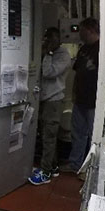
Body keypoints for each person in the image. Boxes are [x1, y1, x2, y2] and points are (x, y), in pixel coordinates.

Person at [29, 27, 71, 185]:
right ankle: (52, 167)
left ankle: (45, 172)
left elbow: (48, 72)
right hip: (43, 99)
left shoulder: (63, 55)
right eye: (47, 39)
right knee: (45, 134)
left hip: (54, 101)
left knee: (49, 136)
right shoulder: (46, 52)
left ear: (58, 40)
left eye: (52, 39)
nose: (49, 42)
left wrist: (48, 53)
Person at [66, 17, 100, 176]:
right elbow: (77, 74)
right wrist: (74, 94)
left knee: (94, 136)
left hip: (94, 102)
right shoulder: (83, 49)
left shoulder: (102, 49)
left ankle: (90, 168)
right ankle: (75, 164)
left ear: (91, 30)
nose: (80, 34)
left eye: (82, 31)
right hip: (80, 99)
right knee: (78, 133)